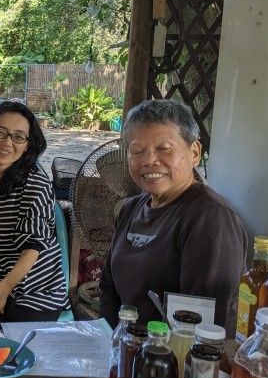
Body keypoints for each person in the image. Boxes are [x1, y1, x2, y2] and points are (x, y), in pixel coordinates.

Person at [99, 99, 247, 332]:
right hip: (126, 345)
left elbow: (199, 325)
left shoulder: (211, 218)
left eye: (164, 149)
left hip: (172, 351)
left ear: (195, 153)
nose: (149, 160)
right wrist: (109, 339)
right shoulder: (131, 208)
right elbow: (109, 288)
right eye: (137, 151)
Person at [0, 101, 70, 322]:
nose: (7, 142)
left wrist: (3, 291)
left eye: (18, 137)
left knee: (9, 336)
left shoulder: (37, 184)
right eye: (0, 132)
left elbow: (33, 246)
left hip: (37, 291)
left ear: (27, 145)